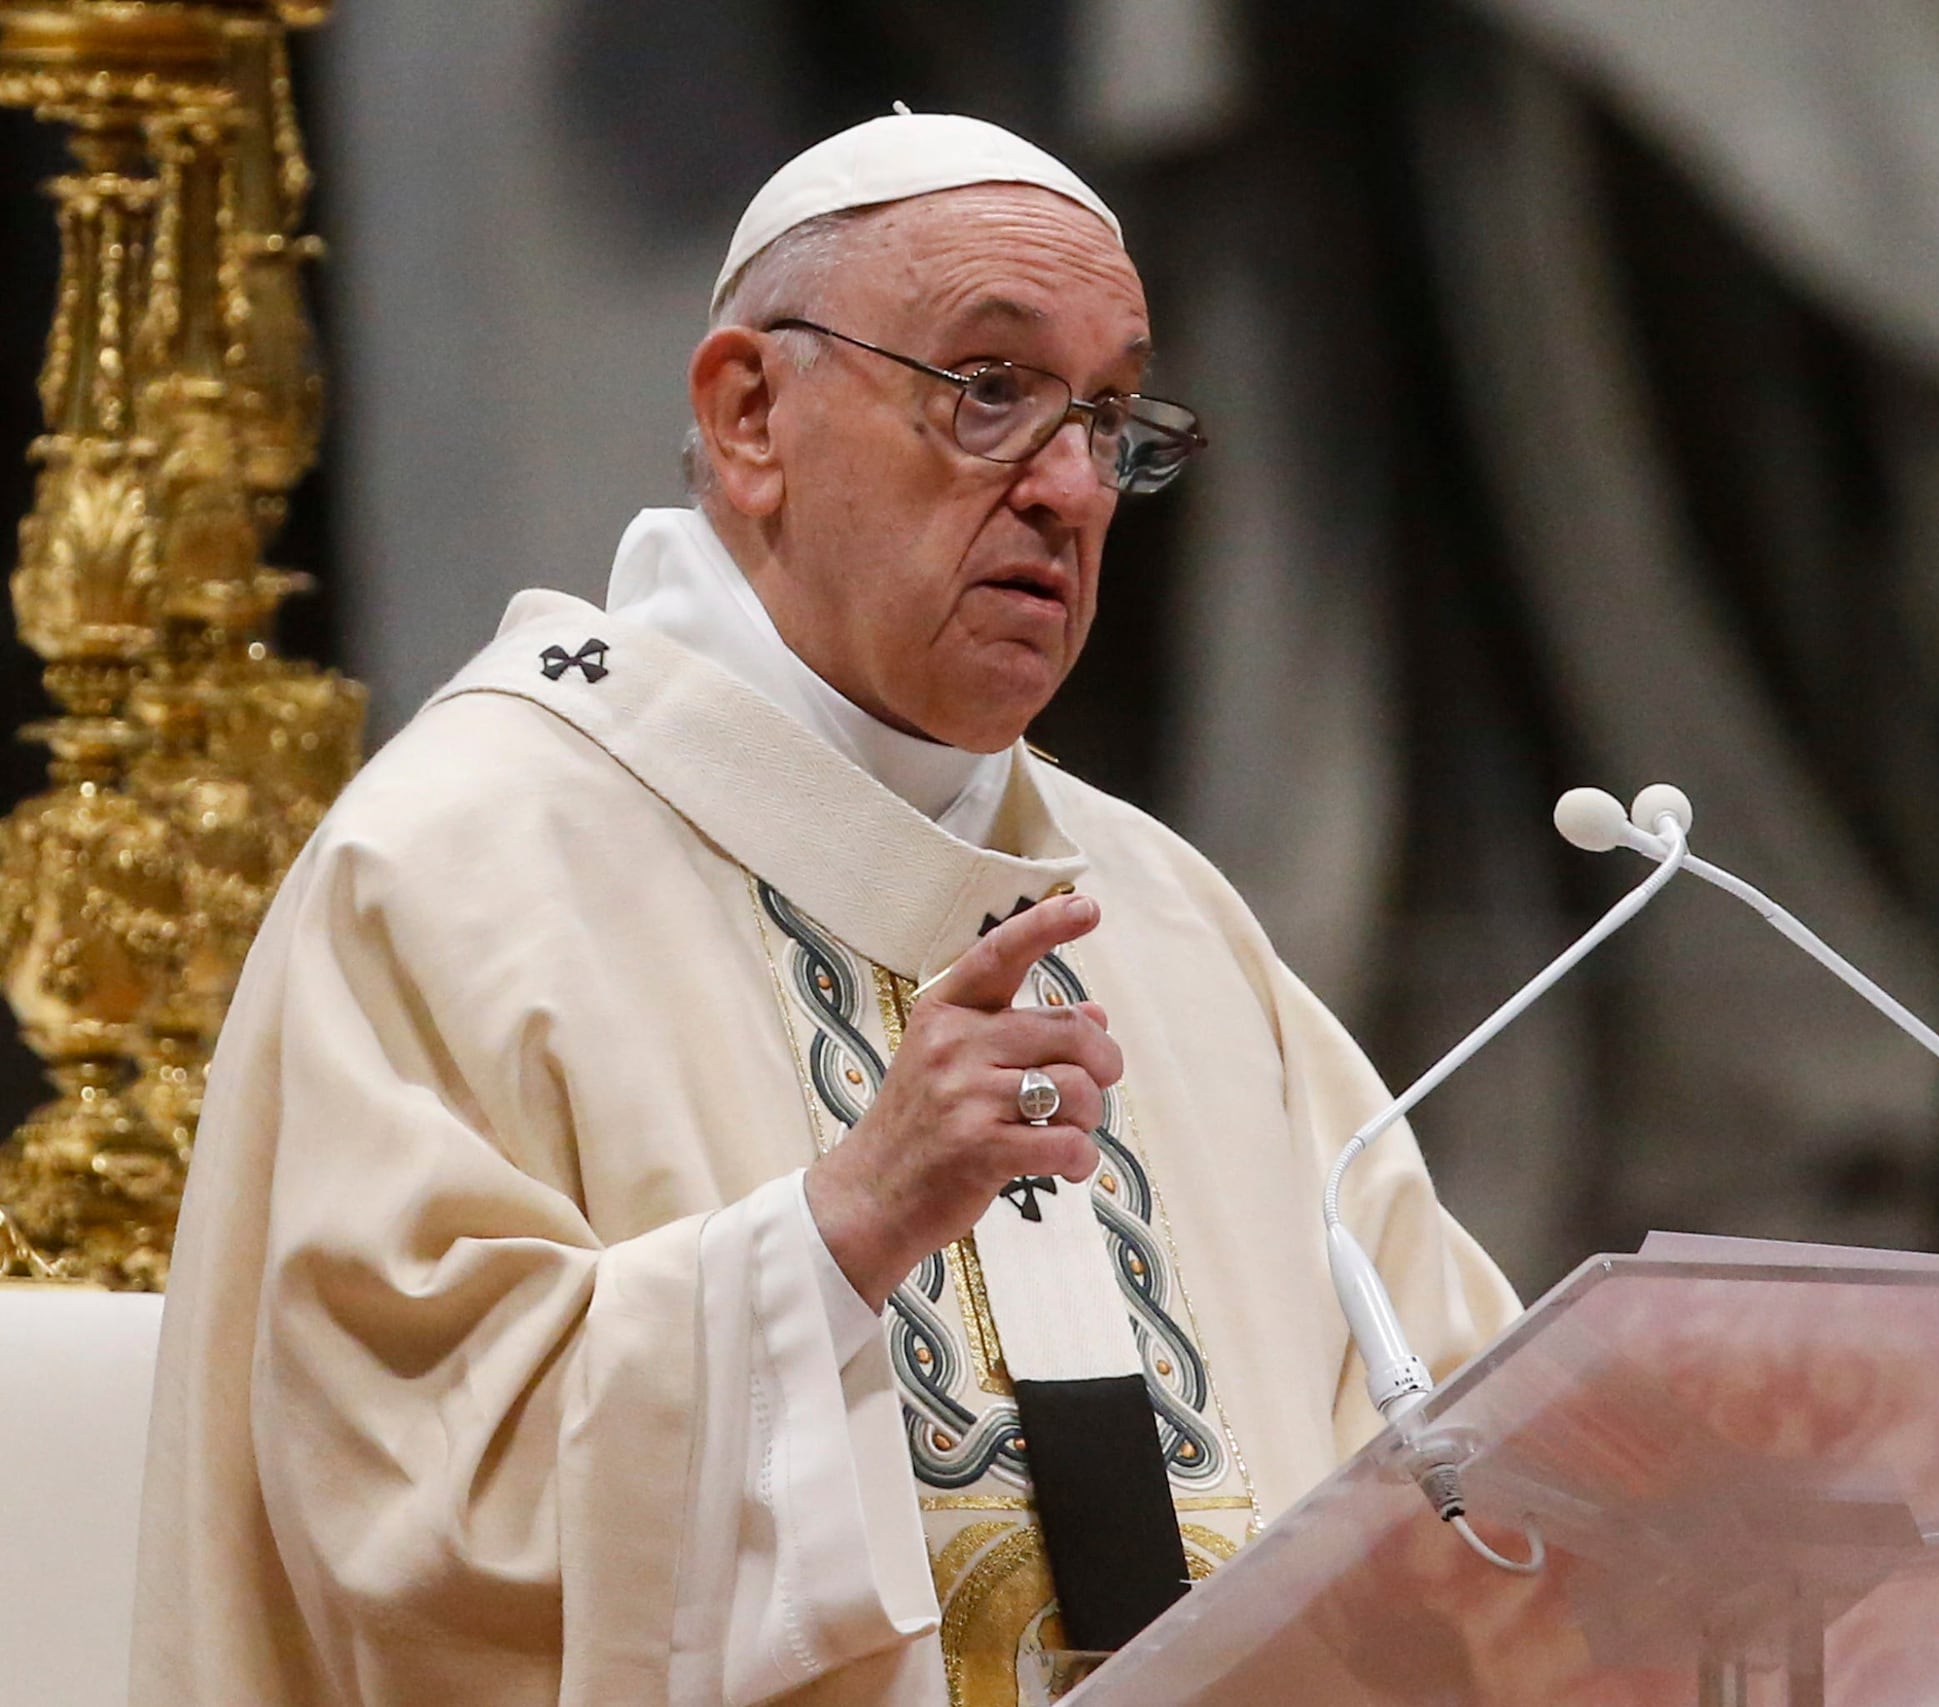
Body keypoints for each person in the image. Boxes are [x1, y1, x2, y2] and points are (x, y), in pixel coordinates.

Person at [130, 111, 1516, 1707]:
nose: (1071, 486)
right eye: (990, 392)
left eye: (1112, 417)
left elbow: (1460, 1439)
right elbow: (402, 1515)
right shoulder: (461, 870)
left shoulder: (1167, 921)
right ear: (750, 416)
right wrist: (834, 1237)